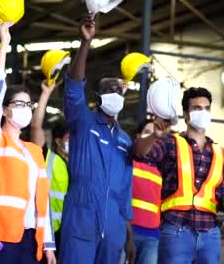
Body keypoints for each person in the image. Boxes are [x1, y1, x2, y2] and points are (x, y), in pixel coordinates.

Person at [0, 22, 56, 264]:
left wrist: (48, 245)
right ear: (4, 109)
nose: (25, 109)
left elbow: (42, 202)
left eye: (28, 105)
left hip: (30, 240)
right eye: (19, 104)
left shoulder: (33, 152)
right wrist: (4, 46)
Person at [59, 14, 135, 264]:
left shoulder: (125, 140)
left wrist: (129, 234)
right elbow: (72, 87)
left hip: (114, 224)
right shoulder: (84, 121)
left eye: (119, 90)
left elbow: (125, 191)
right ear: (97, 96)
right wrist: (85, 43)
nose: (116, 94)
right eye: (109, 90)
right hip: (82, 215)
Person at [135, 87, 224, 264]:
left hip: (210, 235)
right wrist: (153, 136)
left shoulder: (220, 153)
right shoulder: (170, 142)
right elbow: (139, 153)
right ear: (186, 114)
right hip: (176, 231)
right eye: (197, 108)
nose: (203, 112)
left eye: (206, 108)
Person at [30, 83, 69, 261]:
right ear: (59, 141)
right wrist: (45, 95)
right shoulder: (46, 156)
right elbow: (36, 127)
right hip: (43, 231)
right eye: (70, 139)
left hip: (64, 233)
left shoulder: (77, 165)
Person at [127, 120, 169, 264]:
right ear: (138, 136)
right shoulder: (129, 162)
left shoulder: (163, 169)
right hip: (126, 232)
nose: (153, 137)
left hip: (152, 236)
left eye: (156, 135)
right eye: (147, 132)